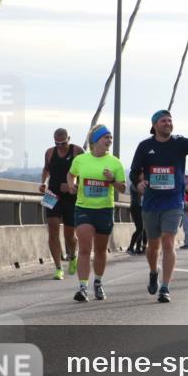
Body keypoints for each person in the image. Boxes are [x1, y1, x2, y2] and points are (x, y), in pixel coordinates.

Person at [130, 109, 188, 303]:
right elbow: (134, 171)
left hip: (173, 202)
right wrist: (138, 182)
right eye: (163, 121)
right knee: (152, 246)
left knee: (168, 242)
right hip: (150, 203)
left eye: (170, 120)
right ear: (155, 125)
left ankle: (165, 287)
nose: (168, 123)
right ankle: (152, 271)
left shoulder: (180, 143)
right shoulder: (145, 146)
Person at [65, 125, 126, 302]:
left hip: (105, 210)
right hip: (84, 208)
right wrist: (71, 184)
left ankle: (98, 283)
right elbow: (71, 175)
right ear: (95, 141)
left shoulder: (115, 162)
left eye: (111, 138)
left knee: (100, 250)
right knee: (84, 248)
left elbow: (122, 188)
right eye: (106, 137)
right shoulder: (81, 160)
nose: (109, 140)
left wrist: (112, 180)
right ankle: (82, 287)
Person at [38, 128, 83, 280]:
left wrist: (74, 187)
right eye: (57, 143)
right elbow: (46, 169)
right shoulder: (50, 152)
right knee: (52, 231)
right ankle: (58, 268)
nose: (60, 146)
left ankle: (72, 256)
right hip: (52, 194)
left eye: (63, 143)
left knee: (69, 235)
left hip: (70, 197)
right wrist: (43, 183)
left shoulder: (77, 151)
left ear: (68, 139)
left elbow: (84, 173)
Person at [126, 182, 146, 255]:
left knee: (142, 228)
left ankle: (138, 248)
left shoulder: (142, 183)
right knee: (140, 228)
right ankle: (130, 247)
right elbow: (141, 191)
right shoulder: (134, 184)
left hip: (140, 207)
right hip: (135, 206)